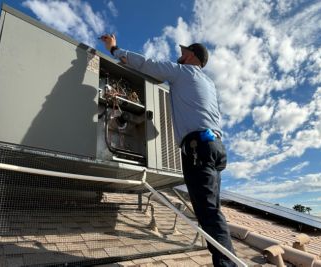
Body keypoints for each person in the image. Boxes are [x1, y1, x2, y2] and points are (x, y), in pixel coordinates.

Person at [101, 34, 237, 267]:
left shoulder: (182, 72)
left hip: (198, 148)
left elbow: (147, 65)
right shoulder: (209, 84)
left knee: (209, 215)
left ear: (192, 55)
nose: (180, 55)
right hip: (215, 148)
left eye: (184, 52)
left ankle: (228, 265)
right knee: (212, 212)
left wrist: (115, 50)